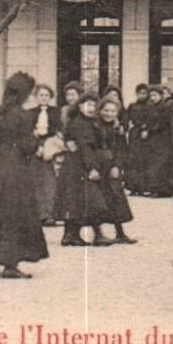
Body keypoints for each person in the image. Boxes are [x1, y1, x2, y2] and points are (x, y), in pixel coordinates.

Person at [0, 72, 49, 279]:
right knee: (15, 213)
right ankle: (10, 263)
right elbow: (28, 146)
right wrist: (36, 140)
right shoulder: (23, 116)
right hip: (15, 168)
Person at [58, 94, 115, 246]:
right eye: (87, 105)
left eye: (94, 106)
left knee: (76, 200)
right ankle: (97, 235)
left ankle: (70, 235)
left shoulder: (84, 122)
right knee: (93, 200)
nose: (91, 109)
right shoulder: (81, 124)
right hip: (80, 166)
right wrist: (91, 168)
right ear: (80, 106)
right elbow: (84, 147)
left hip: (75, 165)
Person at [97, 97, 137, 244]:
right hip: (99, 166)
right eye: (106, 110)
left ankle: (120, 232)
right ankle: (98, 233)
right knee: (99, 200)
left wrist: (117, 166)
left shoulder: (117, 129)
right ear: (100, 110)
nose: (109, 113)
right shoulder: (96, 127)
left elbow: (121, 149)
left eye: (113, 111)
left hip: (112, 167)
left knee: (117, 198)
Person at [127, 84, 173, 197]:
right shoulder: (150, 107)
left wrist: (149, 130)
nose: (153, 98)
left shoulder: (164, 107)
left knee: (161, 164)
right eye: (151, 95)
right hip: (153, 140)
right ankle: (153, 188)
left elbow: (163, 123)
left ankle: (163, 189)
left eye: (155, 95)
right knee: (153, 163)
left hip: (162, 139)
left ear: (161, 95)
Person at [29, 83, 63, 225]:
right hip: (34, 147)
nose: (44, 98)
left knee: (50, 182)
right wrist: (36, 145)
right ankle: (37, 214)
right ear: (36, 97)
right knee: (35, 181)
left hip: (50, 146)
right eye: (41, 95)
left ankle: (50, 214)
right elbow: (27, 131)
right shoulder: (30, 113)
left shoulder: (56, 112)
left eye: (46, 95)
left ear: (50, 97)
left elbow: (58, 129)